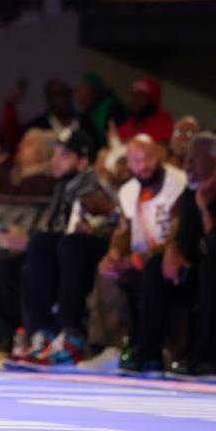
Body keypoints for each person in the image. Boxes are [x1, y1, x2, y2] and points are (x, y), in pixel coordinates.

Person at [126, 133, 216, 376]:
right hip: (212, 269)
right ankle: (147, 352)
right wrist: (174, 249)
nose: (186, 166)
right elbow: (185, 235)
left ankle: (206, 357)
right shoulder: (192, 190)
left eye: (194, 160)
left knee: (211, 267)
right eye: (186, 160)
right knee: (156, 267)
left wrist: (204, 208)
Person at [0, 130, 116, 367]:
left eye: (64, 155)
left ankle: (72, 336)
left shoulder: (91, 187)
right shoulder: (63, 185)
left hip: (91, 249)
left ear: (83, 161)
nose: (55, 160)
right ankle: (40, 334)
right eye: (55, 154)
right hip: (66, 247)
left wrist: (97, 226)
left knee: (65, 246)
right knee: (15, 259)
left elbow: (106, 226)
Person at [79, 134, 187, 373]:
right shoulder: (128, 191)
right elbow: (125, 229)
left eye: (147, 158)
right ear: (129, 164)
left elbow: (178, 234)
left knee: (152, 268)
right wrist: (116, 252)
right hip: (140, 258)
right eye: (136, 161)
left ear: (158, 154)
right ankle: (112, 349)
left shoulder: (178, 183)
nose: (143, 166)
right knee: (106, 269)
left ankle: (154, 351)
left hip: (171, 256)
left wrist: (138, 259)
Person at [117, 78, 173, 143]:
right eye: (134, 95)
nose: (135, 100)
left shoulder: (165, 126)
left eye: (141, 96)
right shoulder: (128, 123)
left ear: (152, 100)